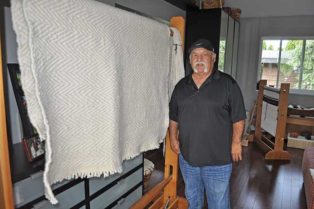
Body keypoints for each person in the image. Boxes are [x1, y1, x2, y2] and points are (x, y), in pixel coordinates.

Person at [169, 39, 246, 209]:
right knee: (193, 200)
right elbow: (174, 117)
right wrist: (173, 138)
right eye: (195, 55)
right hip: (188, 159)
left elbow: (238, 116)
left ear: (214, 57)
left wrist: (236, 142)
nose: (199, 58)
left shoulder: (228, 84)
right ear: (189, 61)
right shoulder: (181, 87)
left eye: (204, 54)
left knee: (218, 203)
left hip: (218, 161)